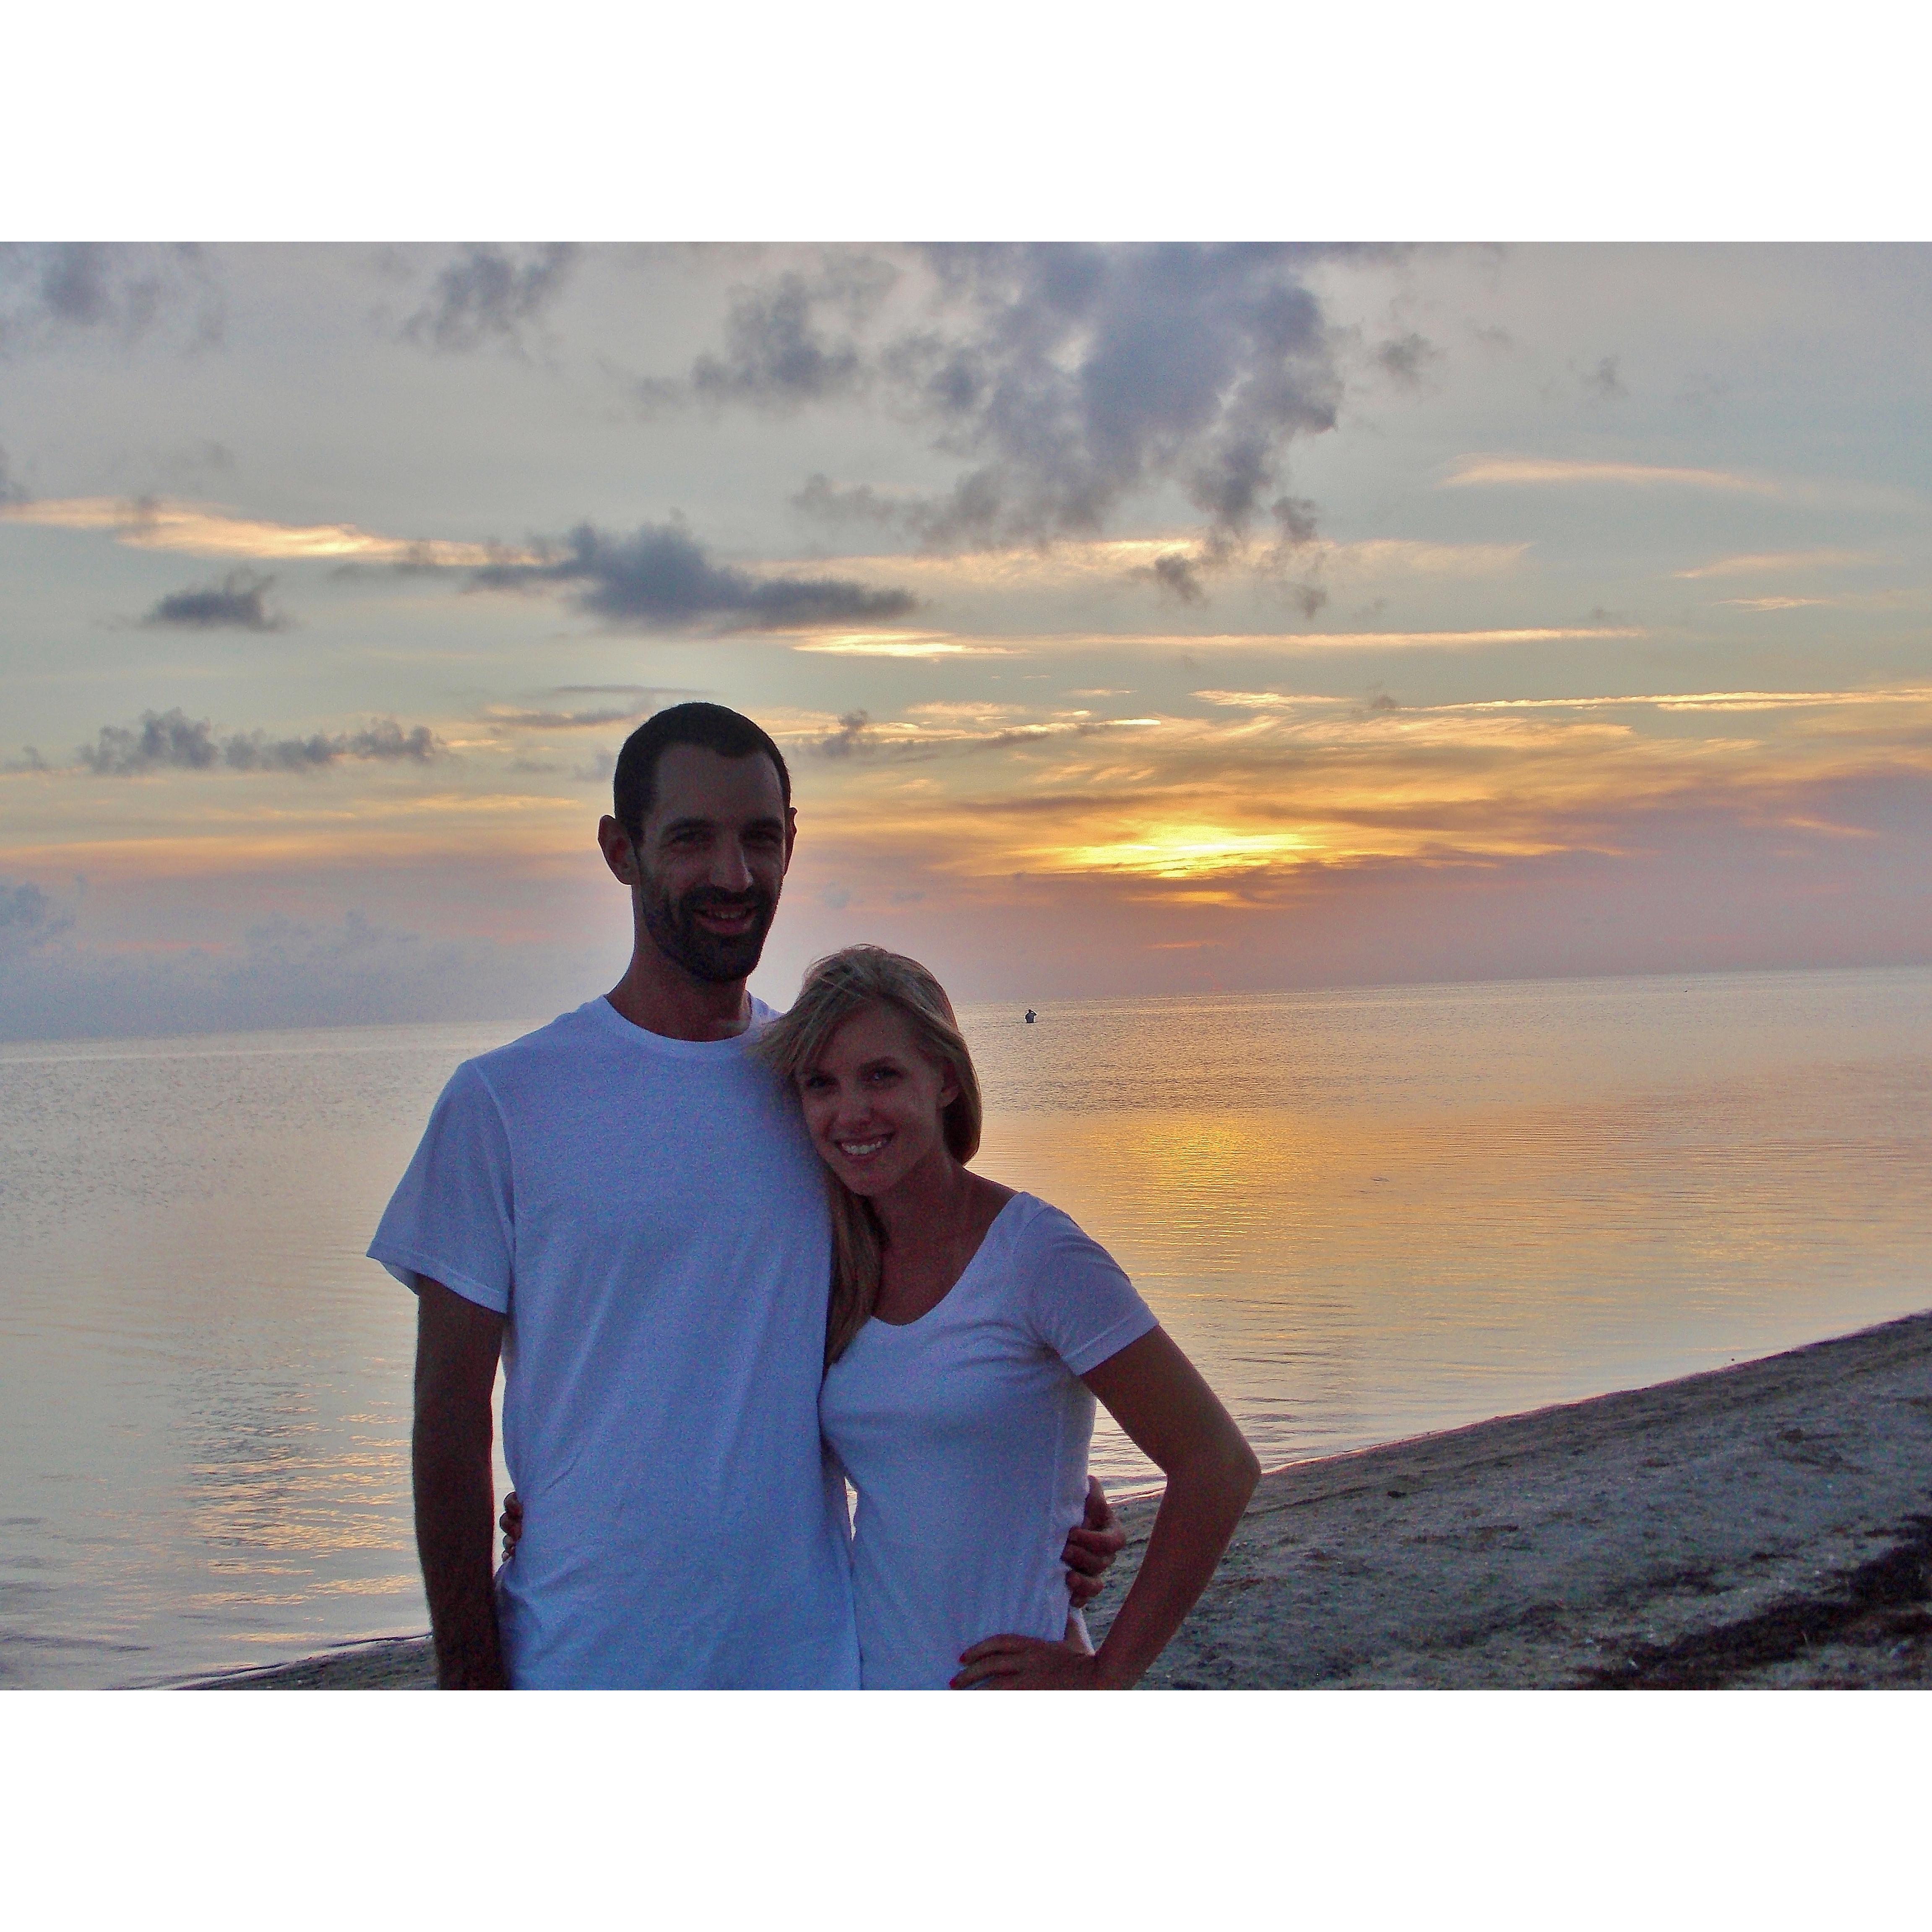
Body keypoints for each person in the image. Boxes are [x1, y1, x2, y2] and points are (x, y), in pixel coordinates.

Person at [371, 703, 1120, 1688]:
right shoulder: (504, 1101)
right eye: (691, 838)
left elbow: (914, 1324)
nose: (733, 875)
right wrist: (470, 1682)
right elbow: (450, 1417)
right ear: (619, 850)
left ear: (792, 843)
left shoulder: (819, 1095)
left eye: (759, 838)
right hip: (577, 1662)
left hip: (811, 1662)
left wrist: (1032, 1480)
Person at [756, 945, 1260, 1688]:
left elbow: (1217, 1464)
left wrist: (1104, 1673)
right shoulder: (830, 1269)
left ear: (947, 1080)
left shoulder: (1036, 1253)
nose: (849, 1112)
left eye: (882, 1075)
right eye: (820, 1084)